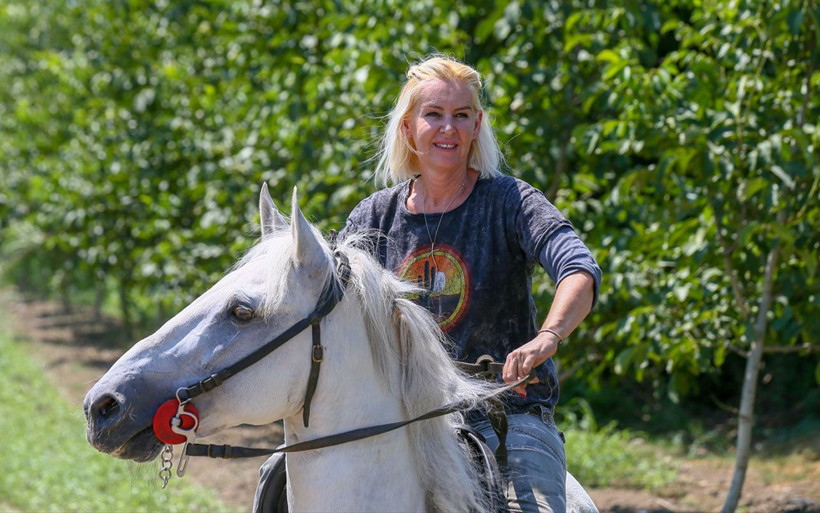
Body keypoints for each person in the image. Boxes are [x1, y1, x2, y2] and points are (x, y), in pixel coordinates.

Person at [337, 54, 602, 513]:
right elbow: (333, 312)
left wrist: (547, 338)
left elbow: (579, 269)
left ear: (476, 126)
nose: (448, 128)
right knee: (280, 480)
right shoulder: (373, 217)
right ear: (407, 128)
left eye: (461, 116)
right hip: (400, 417)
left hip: (508, 415)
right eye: (434, 115)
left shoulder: (510, 201)